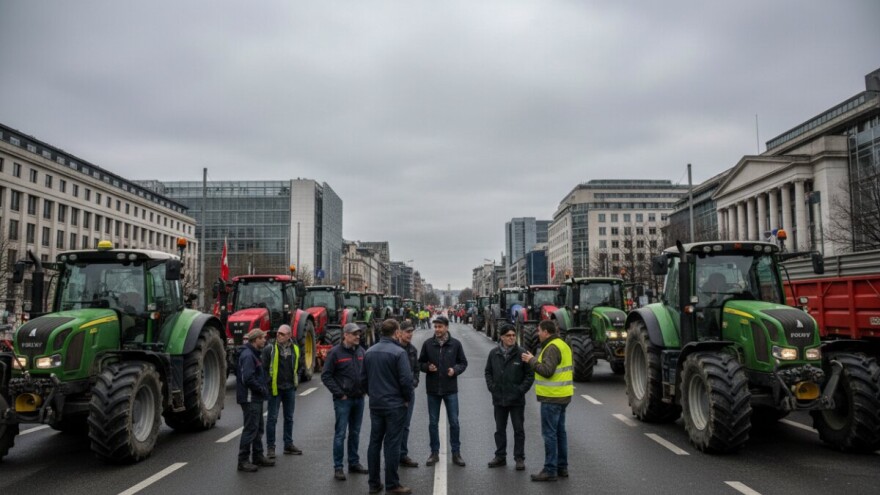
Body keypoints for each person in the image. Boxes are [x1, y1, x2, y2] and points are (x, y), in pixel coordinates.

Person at [364, 319, 415, 494]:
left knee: (374, 443)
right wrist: (407, 399)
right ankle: (392, 484)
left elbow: (363, 379)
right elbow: (406, 380)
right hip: (395, 405)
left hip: (376, 405)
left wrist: (373, 395)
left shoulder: (369, 351)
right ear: (396, 332)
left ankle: (373, 483)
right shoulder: (399, 352)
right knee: (392, 444)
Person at [521, 320, 572, 482]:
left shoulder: (551, 347)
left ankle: (550, 469)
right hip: (563, 395)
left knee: (549, 434)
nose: (538, 334)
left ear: (546, 332)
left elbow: (547, 371)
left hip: (552, 397)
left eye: (539, 331)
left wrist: (531, 360)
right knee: (560, 433)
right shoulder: (562, 344)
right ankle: (562, 467)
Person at [419, 315, 468, 467]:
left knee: (454, 422)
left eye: (440, 327)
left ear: (446, 327)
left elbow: (463, 363)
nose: (437, 329)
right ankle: (434, 453)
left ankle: (456, 453)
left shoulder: (455, 344)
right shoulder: (428, 344)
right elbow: (420, 363)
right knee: (433, 423)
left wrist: (455, 370)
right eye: (435, 327)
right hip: (433, 389)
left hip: (450, 389)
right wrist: (427, 367)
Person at [322, 323, 369, 481]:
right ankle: (338, 467)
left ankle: (354, 463)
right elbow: (326, 376)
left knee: (355, 433)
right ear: (345, 335)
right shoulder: (335, 353)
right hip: (343, 400)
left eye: (358, 334)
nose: (358, 336)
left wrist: (365, 390)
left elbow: (366, 373)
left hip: (359, 398)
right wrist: (339, 393)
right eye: (354, 334)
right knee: (340, 434)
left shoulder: (361, 351)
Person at [485, 323, 534, 471]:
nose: (511, 338)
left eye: (513, 335)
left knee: (518, 430)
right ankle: (500, 456)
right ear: (502, 337)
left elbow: (530, 375)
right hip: (499, 398)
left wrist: (520, 390)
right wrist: (492, 388)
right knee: (499, 430)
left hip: (516, 400)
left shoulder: (522, 353)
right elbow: (488, 372)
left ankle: (519, 458)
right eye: (508, 335)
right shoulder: (494, 353)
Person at [261, 324, 303, 459]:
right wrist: (268, 383)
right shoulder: (270, 349)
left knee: (289, 418)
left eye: (282, 334)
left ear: (289, 335)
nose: (278, 335)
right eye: (278, 333)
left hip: (289, 388)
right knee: (272, 419)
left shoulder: (295, 348)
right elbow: (263, 368)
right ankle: (271, 447)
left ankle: (288, 444)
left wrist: (296, 379)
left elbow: (299, 365)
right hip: (275, 389)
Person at [236, 328, 274, 472]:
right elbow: (248, 378)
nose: (264, 340)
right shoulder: (248, 355)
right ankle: (243, 461)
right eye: (262, 338)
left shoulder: (254, 354)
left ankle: (258, 456)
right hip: (250, 397)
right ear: (255, 339)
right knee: (250, 429)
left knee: (258, 428)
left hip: (255, 397)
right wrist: (261, 388)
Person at [396, 320, 420, 468]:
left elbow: (416, 369)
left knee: (405, 424)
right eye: (407, 332)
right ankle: (393, 455)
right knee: (394, 426)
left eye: (411, 332)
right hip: (395, 394)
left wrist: (414, 382)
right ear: (399, 333)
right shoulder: (394, 349)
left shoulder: (412, 350)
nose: (410, 334)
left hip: (409, 392)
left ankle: (403, 455)